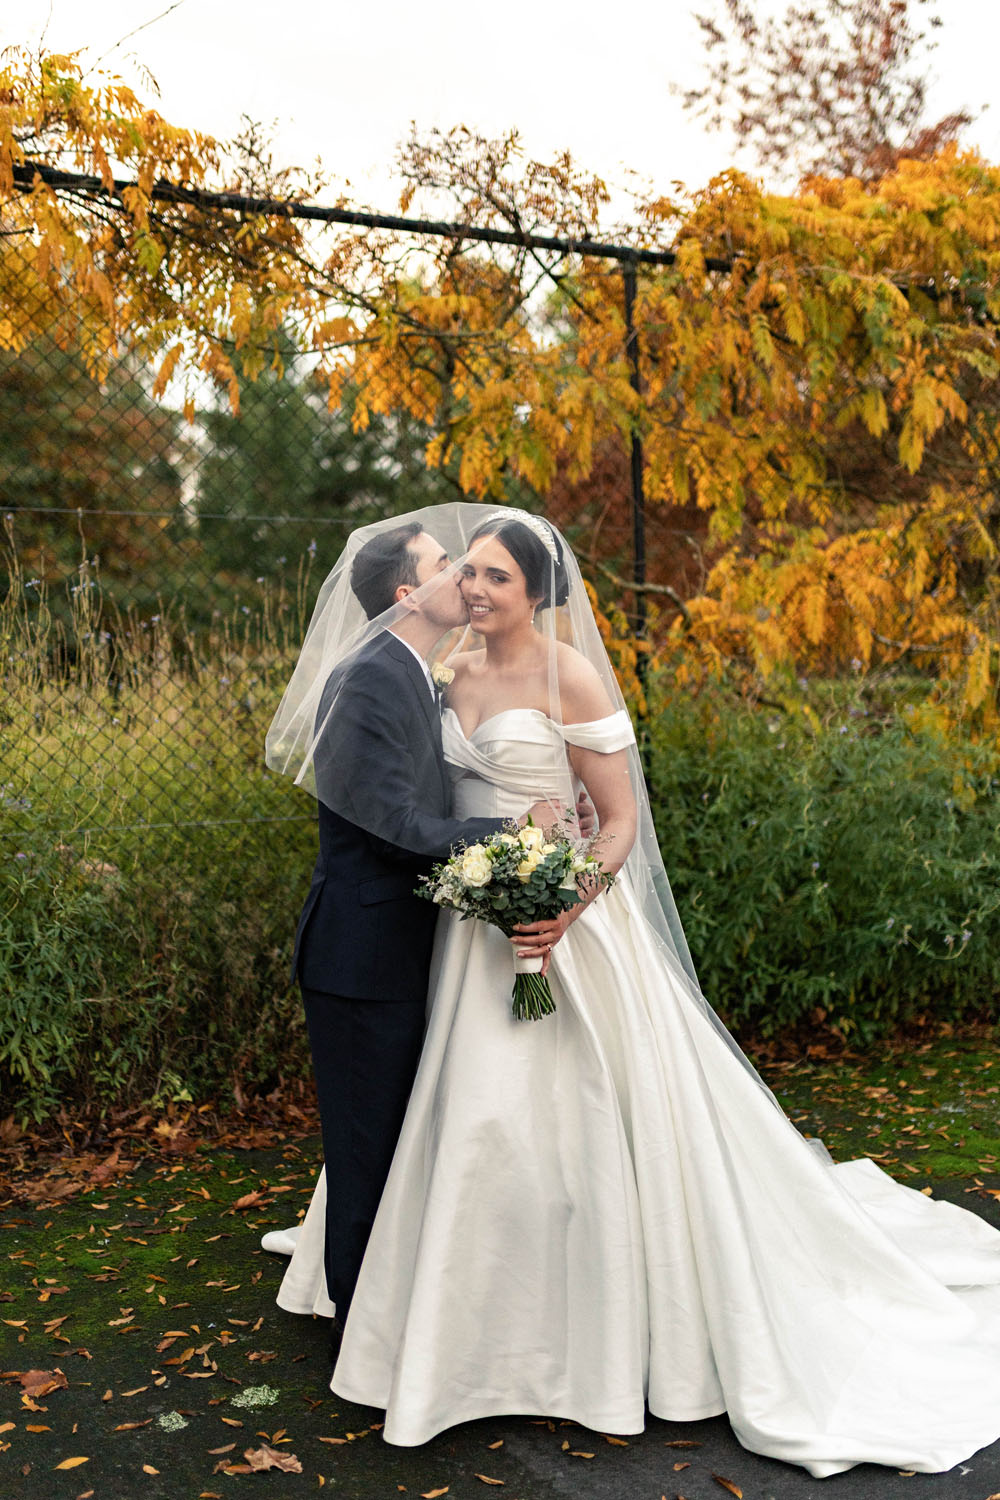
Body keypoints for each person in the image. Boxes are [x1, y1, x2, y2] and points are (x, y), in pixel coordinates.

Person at [268, 503, 1000, 1479]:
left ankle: (592, 1331)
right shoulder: (446, 675)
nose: (475, 589)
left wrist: (564, 897)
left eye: (494, 576)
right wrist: (501, 862)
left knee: (581, 1127)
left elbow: (613, 822)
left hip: (563, 922)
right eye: (466, 572)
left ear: (537, 592)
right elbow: (420, 808)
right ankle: (467, 1319)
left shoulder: (566, 674)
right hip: (466, 932)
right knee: (472, 1129)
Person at [264, 519, 578, 1351]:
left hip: (407, 949)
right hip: (362, 956)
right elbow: (395, 825)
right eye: (450, 566)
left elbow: (435, 791)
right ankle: (359, 1344)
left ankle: (395, 1321)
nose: (467, 578)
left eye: (482, 569)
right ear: (410, 593)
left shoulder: (418, 674)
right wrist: (516, 832)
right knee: (368, 1153)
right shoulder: (371, 679)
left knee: (400, 1146)